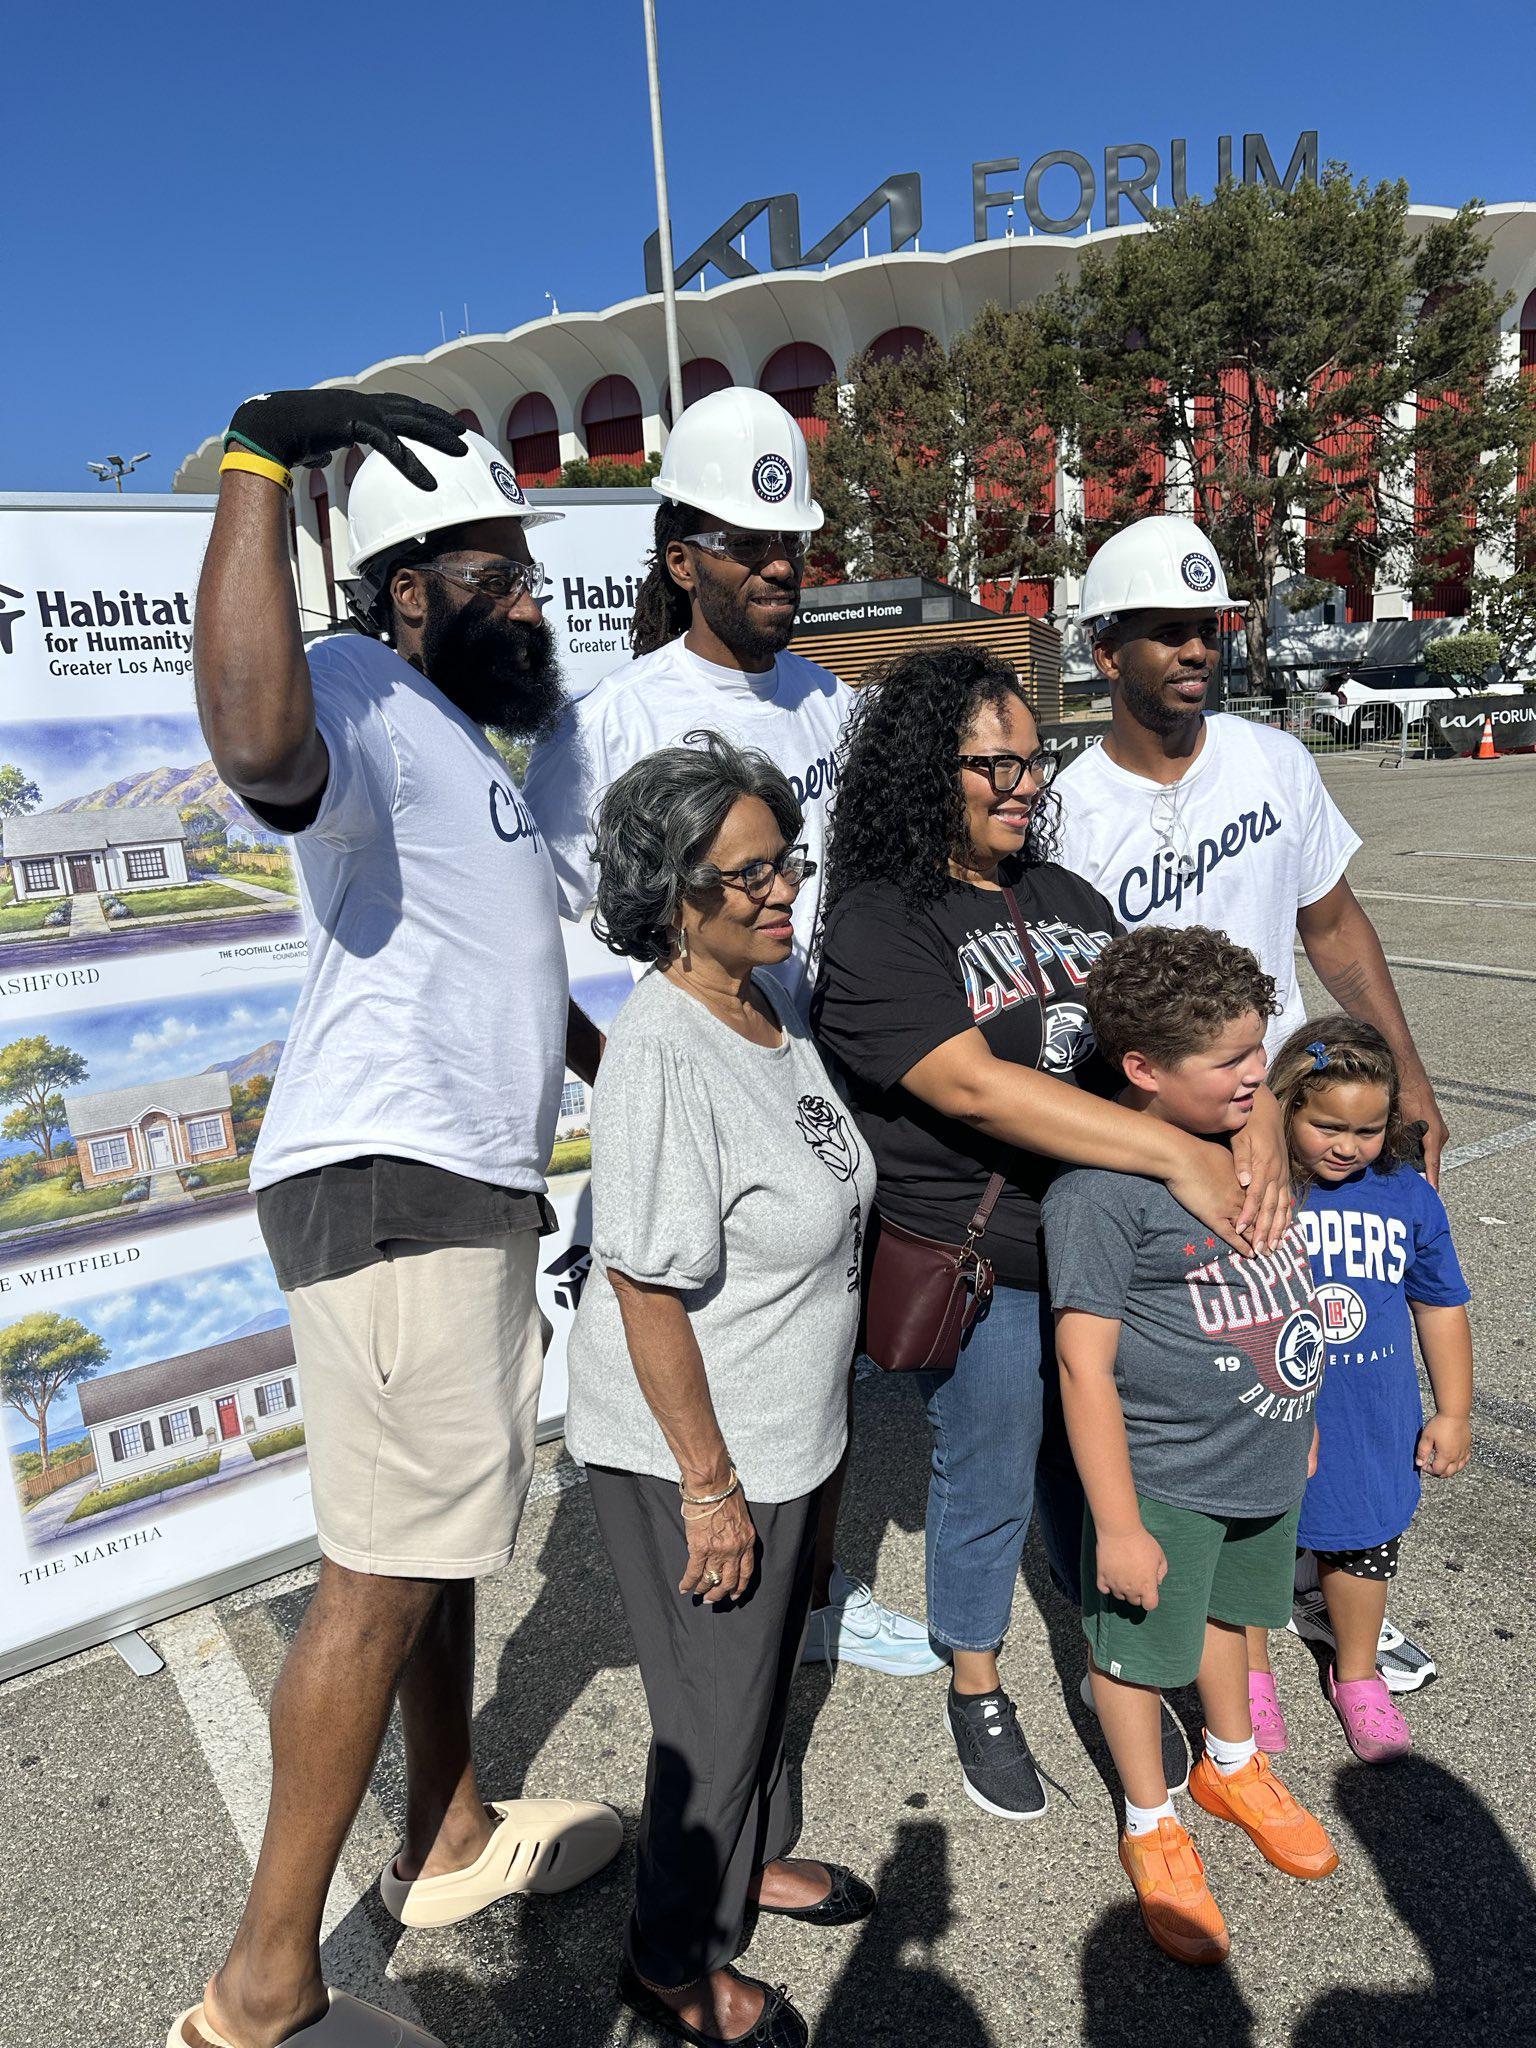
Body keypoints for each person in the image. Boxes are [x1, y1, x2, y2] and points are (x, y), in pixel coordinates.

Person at [176, 390, 619, 2048]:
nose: (527, 598)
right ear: (402, 584)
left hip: (460, 1183)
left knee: (440, 1540)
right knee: (378, 1571)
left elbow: (508, 975)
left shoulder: (458, 743)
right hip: (392, 1178)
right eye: (493, 570)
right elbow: (251, 733)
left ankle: (446, 1828)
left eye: (524, 568)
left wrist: (619, 1070)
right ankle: (261, 1982)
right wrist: (256, 460)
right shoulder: (355, 688)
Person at [813, 645, 1291, 1824]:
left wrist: (1261, 1100)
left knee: (1122, 1469)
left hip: (1113, 1249)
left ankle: (1130, 1654)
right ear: (931, 772)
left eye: (1033, 760)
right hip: (988, 1258)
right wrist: (1182, 1152)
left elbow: (1175, 1022)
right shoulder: (881, 922)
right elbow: (972, 1085)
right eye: (995, 764)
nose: (1025, 784)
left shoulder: (1067, 896)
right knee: (991, 1469)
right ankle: (975, 1678)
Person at [526, 385, 937, 1679]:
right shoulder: (607, 726)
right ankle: (725, 1598)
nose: (778, 565)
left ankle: (810, 1600)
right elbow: (528, 949)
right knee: (710, 1361)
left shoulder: (831, 702)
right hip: (700, 1113)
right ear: (679, 558)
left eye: (793, 544)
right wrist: (628, 1077)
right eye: (749, 545)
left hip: (814, 1091)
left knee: (814, 1366)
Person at [1056, 511, 1449, 1691]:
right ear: (1106, 646)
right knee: (1198, 1377)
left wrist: (1409, 1077)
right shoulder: (1072, 805)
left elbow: (1332, 925)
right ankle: (1195, 1610)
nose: (1196, 649)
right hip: (1164, 1140)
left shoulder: (1274, 761)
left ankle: (1329, 1601)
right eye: (1167, 630)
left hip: (1293, 1120)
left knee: (1319, 1364)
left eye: (1209, 627)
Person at [566, 736, 876, 2048]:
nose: (780, 889)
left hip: (789, 1430)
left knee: (758, 1692)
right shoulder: (662, 1047)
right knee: (710, 1713)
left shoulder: (768, 1000)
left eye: (786, 861)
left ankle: (746, 1871)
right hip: (702, 1451)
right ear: (673, 892)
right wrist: (710, 1489)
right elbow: (646, 1288)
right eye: (748, 874)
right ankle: (669, 1959)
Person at [1044, 925, 1339, 1968]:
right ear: (1142, 1069)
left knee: (1230, 1612)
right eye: (1231, 1062)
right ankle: (1150, 1816)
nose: (1259, 1076)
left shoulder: (1238, 1147)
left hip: (1262, 1450)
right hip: (1163, 1478)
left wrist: (1296, 1418)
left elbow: (1281, 1284)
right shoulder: (1096, 1194)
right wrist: (1116, 1521)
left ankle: (1232, 1760)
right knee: (1135, 1654)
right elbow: (1084, 1367)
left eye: (1261, 1051)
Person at [1244, 1018, 1472, 1763]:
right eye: (1327, 1124)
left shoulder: (1407, 1195)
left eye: (1369, 1128)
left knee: (1365, 1543)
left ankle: (1358, 1673)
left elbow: (1439, 1302)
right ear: (1285, 1106)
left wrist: (1455, 1410)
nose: (1348, 1144)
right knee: (1250, 1543)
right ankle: (1249, 1676)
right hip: (1265, 1409)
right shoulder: (1252, 1183)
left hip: (1371, 1417)